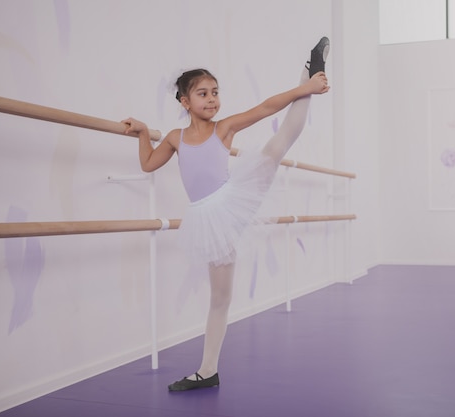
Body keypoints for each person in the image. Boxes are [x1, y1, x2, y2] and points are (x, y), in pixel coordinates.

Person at [122, 37, 330, 391]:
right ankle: (208, 370)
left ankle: (309, 72)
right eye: (203, 93)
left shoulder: (224, 128)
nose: (212, 99)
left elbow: (266, 107)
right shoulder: (174, 138)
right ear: (185, 101)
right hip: (208, 219)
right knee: (220, 298)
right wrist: (143, 132)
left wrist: (307, 88)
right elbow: (147, 164)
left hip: (234, 197)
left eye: (215, 92)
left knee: (279, 144)